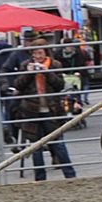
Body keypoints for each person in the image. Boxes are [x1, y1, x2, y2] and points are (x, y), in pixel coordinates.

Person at [9, 50, 77, 180]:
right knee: (36, 146)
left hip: (52, 110)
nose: (38, 57)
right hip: (31, 111)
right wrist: (29, 73)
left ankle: (70, 175)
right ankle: (40, 178)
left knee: (58, 143)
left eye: (40, 53)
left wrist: (47, 72)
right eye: (35, 54)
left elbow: (60, 85)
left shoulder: (55, 65)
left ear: (46, 53)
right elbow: (18, 85)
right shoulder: (25, 65)